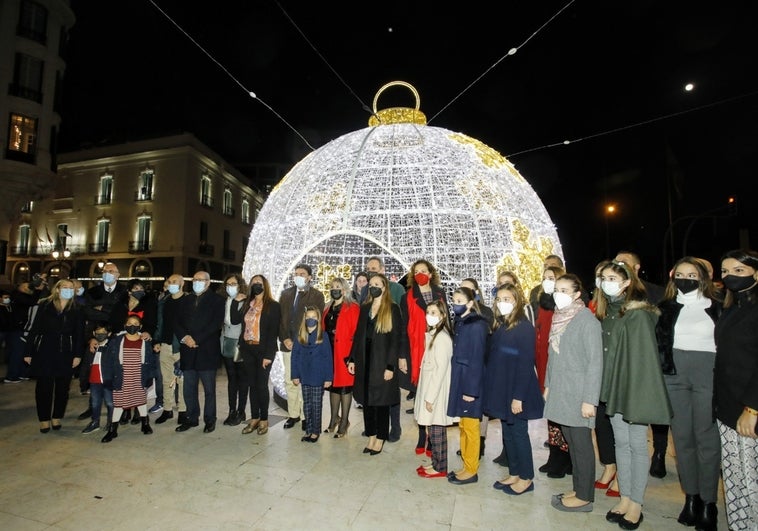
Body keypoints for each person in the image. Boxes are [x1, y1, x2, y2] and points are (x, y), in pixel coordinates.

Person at [595, 260, 672, 529]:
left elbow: (643, 360)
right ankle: (625, 497)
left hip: (632, 389)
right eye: (603, 277)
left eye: (613, 278)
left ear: (627, 282)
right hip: (612, 388)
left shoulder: (637, 314)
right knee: (621, 445)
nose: (606, 282)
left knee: (637, 445)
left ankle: (636, 503)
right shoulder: (607, 312)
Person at [655, 256, 722, 529]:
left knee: (706, 437)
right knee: (682, 439)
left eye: (692, 274)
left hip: (708, 373)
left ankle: (709, 502)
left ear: (702, 277)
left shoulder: (717, 306)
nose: (686, 279)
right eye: (680, 274)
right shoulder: (665, 308)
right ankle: (691, 497)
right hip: (674, 375)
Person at [543, 274, 603, 512]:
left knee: (581, 445)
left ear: (578, 294)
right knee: (571, 442)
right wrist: (548, 384)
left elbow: (595, 363)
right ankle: (578, 487)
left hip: (579, 394)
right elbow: (552, 356)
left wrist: (590, 400)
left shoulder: (587, 321)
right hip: (562, 390)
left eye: (565, 290)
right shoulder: (560, 318)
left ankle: (585, 496)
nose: (559, 293)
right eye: (557, 289)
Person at [713, 249, 758, 531]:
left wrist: (752, 408)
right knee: (734, 476)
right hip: (728, 405)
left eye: (738, 271)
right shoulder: (734, 306)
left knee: (750, 477)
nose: (730, 276)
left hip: (748, 408)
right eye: (726, 271)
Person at [614, 249, 669, 478]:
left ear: (636, 267)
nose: (619, 265)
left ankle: (659, 453)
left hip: (651, 360)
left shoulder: (655, 292)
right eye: (616, 262)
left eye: (624, 262)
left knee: (654, 412)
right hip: (623, 362)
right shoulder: (614, 293)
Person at [484, 283, 542, 494]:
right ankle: (514, 473)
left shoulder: (524, 327)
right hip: (502, 388)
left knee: (519, 433)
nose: (502, 303)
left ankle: (526, 478)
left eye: (507, 299)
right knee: (507, 433)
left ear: (516, 301)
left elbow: (526, 363)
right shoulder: (501, 324)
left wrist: (518, 397)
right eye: (499, 299)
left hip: (517, 390)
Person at [347, 273, 403, 455]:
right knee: (367, 402)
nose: (373, 287)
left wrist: (390, 366)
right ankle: (371, 435)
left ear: (385, 287)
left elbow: (396, 340)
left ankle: (380, 437)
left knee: (381, 402)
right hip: (365, 360)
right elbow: (358, 335)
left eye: (377, 284)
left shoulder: (392, 309)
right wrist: (352, 359)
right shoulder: (365, 308)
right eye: (371, 284)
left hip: (382, 361)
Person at [22, 279, 85, 433]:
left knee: (63, 388)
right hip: (45, 350)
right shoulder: (44, 305)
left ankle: (57, 416)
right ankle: (44, 419)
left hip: (66, 351)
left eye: (71, 288)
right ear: (57, 289)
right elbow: (35, 329)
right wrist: (28, 351)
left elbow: (79, 334)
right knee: (44, 387)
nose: (69, 290)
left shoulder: (77, 308)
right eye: (65, 287)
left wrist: (78, 355)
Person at [400, 259, 446, 449]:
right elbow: (403, 328)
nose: (420, 274)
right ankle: (422, 435)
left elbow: (446, 319)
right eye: (416, 271)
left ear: (430, 273)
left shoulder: (440, 293)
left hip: (436, 346)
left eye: (423, 270)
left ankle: (434, 437)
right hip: (416, 348)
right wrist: (402, 355)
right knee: (420, 392)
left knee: (434, 391)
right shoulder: (408, 296)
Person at [447, 286, 490, 485]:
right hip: (461, 379)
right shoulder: (461, 322)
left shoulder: (477, 325)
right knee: (464, 425)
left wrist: (471, 390)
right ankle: (466, 464)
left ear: (471, 303)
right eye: (454, 300)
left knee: (472, 427)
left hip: (470, 384)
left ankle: (471, 470)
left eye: (460, 300)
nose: (455, 304)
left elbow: (477, 358)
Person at [175, 271, 225, 434]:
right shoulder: (186, 300)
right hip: (187, 350)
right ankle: (191, 418)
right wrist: (185, 338)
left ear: (208, 283)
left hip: (206, 350)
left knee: (209, 390)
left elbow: (215, 324)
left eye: (200, 280)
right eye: (194, 279)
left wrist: (196, 339)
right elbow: (177, 322)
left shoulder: (217, 300)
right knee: (188, 388)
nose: (197, 282)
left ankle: (210, 419)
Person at [535, 265, 573, 479]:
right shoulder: (544, 304)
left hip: (558, 366)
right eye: (546, 277)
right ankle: (555, 455)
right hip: (544, 365)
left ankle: (564, 458)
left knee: (561, 414)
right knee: (551, 414)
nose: (548, 281)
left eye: (553, 278)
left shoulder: (562, 307)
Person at [232, 274, 281, 436]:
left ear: (265, 285)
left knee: (261, 385)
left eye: (259, 283)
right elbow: (236, 321)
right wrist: (237, 301)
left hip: (264, 350)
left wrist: (268, 354)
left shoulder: (273, 306)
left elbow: (273, 332)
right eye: (253, 283)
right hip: (248, 349)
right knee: (251, 384)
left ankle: (264, 419)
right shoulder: (248, 303)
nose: (256, 286)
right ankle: (254, 417)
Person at [278, 264, 326, 430]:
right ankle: (293, 415)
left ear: (309, 277)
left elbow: (316, 322)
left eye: (302, 274)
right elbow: (281, 319)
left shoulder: (317, 296)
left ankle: (306, 416)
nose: (298, 276)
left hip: (305, 346)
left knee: (305, 381)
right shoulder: (285, 294)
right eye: (296, 273)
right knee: (290, 381)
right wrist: (284, 338)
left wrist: (300, 340)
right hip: (287, 345)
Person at [364, 256, 406, 442]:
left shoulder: (396, 289)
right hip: (370, 352)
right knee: (373, 393)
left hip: (386, 349)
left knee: (388, 393)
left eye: (374, 268)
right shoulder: (366, 290)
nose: (370, 270)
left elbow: (398, 331)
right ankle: (374, 429)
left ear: (382, 269)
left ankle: (394, 427)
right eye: (368, 269)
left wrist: (396, 359)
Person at [79, 262, 128, 417]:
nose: (108, 273)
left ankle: (120, 407)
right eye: (105, 271)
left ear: (118, 275)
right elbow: (88, 313)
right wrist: (91, 338)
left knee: (117, 372)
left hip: (116, 337)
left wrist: (101, 308)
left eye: (111, 271)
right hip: (96, 337)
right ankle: (93, 407)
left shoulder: (124, 292)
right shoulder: (93, 292)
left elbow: (121, 315)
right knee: (93, 372)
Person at [100, 314, 159, 442]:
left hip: (138, 377)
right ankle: (113, 430)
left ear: (140, 327)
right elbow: (108, 361)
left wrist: (150, 377)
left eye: (136, 324)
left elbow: (151, 361)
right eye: (130, 323)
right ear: (125, 326)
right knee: (119, 403)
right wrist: (108, 378)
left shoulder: (145, 342)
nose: (132, 326)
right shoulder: (116, 341)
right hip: (121, 378)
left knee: (141, 401)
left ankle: (145, 424)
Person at [414, 299, 456, 478]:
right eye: (428, 312)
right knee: (432, 429)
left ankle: (441, 467)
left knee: (437, 430)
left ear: (443, 316)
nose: (429, 316)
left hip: (436, 393)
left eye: (434, 313)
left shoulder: (442, 338)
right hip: (430, 389)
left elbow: (440, 371)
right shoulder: (432, 334)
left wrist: (430, 397)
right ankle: (436, 463)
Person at [322, 277, 360, 438]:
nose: (334, 289)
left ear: (344, 289)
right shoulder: (327, 307)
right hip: (329, 352)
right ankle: (333, 419)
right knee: (332, 386)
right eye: (332, 287)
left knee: (344, 388)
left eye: (337, 287)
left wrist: (353, 357)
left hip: (344, 353)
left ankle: (344, 421)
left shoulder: (352, 308)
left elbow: (356, 333)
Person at [460, 277, 493, 459]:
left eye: (469, 289)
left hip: (482, 364)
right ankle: (468, 442)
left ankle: (479, 442)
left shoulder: (485, 313)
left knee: (480, 407)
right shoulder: (460, 312)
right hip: (464, 366)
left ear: (476, 293)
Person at [291, 307, 333, 442]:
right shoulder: (299, 335)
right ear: (304, 319)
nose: (311, 320)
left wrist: (328, 377)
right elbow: (295, 356)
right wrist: (295, 374)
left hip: (318, 375)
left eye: (314, 317)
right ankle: (308, 430)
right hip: (304, 375)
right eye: (308, 317)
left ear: (318, 319)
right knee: (307, 404)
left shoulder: (323, 336)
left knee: (316, 404)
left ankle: (315, 431)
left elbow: (328, 357)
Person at [121, 279, 159, 425]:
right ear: (129, 290)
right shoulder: (122, 302)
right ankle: (126, 410)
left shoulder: (149, 302)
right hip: (124, 343)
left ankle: (138, 410)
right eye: (135, 288)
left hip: (141, 343)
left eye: (141, 288)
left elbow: (152, 321)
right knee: (125, 379)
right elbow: (115, 320)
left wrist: (148, 332)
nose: (139, 290)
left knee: (139, 379)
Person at [153, 274, 187, 425]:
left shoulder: (188, 301)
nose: (172, 284)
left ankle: (183, 411)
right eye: (170, 282)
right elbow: (160, 322)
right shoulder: (164, 301)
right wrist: (157, 340)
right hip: (165, 345)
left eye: (175, 282)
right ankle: (167, 409)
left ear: (182, 283)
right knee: (166, 380)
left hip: (180, 346)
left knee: (182, 381)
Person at [221, 273, 248, 426]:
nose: (230, 287)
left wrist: (235, 302)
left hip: (240, 343)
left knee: (242, 378)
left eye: (233, 284)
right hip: (227, 342)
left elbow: (236, 319)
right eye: (228, 284)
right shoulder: (225, 300)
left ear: (240, 285)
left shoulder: (244, 301)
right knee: (231, 378)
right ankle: (232, 410)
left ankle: (241, 410)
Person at [81, 322, 114, 434]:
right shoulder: (91, 347)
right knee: (95, 403)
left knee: (110, 402)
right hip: (94, 381)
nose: (100, 335)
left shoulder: (111, 347)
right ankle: (95, 422)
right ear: (94, 333)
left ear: (109, 334)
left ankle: (111, 422)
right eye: (98, 333)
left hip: (108, 380)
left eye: (104, 333)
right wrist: (83, 383)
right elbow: (85, 366)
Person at [1, 289, 27, 383]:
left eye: (8, 297)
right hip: (2, 332)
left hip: (11, 332)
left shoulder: (11, 307)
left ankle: (14, 375)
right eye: (5, 298)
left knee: (14, 352)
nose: (7, 299)